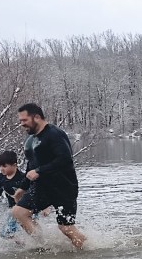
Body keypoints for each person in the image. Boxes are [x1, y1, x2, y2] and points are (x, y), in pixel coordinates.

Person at [11, 103, 87, 249]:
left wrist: (40, 171)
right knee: (18, 212)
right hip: (42, 188)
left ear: (37, 117)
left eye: (24, 120)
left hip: (63, 188)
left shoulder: (54, 134)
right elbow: (31, 164)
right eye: (20, 121)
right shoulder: (31, 140)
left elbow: (65, 159)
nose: (21, 124)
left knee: (66, 229)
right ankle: (43, 247)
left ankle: (87, 251)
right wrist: (23, 187)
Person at [0, 150, 28, 238]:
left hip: (26, 208)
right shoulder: (1, 177)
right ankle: (21, 247)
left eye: (4, 166)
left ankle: (36, 243)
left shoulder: (23, 178)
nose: (1, 168)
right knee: (6, 233)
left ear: (14, 165)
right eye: (0, 166)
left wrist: (44, 208)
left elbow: (34, 191)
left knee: (25, 229)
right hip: (13, 209)